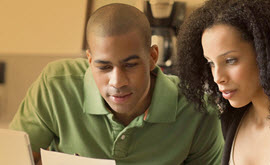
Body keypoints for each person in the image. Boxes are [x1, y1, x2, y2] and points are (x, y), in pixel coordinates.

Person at [9, 3, 224, 165]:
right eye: (103, 67)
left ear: (152, 57)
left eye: (130, 65)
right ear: (90, 60)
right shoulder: (55, 85)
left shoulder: (198, 108)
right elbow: (15, 159)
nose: (117, 82)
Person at [176, 0, 270, 165]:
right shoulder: (233, 118)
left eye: (230, 60)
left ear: (268, 53)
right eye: (210, 63)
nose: (217, 77)